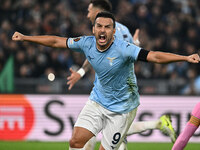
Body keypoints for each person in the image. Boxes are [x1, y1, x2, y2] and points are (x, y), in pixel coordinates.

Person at [12, 12, 200, 150]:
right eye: (99, 26)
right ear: (93, 29)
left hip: (122, 109)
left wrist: (184, 58)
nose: (103, 30)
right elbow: (55, 41)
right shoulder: (85, 43)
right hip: (98, 101)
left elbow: (155, 57)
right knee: (75, 142)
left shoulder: (123, 48)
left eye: (107, 27)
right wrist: (26, 38)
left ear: (113, 31)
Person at [67, 0, 176, 149]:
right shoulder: (114, 31)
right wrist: (81, 72)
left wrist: (136, 47)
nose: (87, 15)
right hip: (107, 91)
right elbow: (94, 53)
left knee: (105, 136)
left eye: (89, 10)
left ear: (98, 11)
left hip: (117, 92)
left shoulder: (114, 33)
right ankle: (156, 124)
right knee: (92, 137)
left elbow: (130, 54)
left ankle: (156, 124)